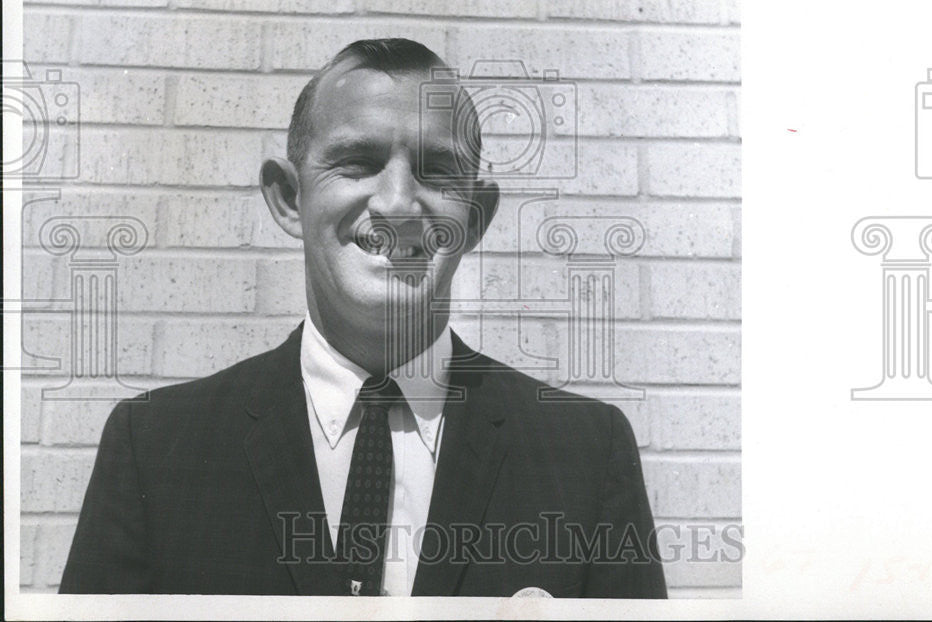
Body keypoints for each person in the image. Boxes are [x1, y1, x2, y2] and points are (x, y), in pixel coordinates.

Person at [59, 39, 667, 598]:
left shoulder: (586, 454)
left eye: (435, 169)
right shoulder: (157, 447)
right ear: (290, 199)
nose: (398, 203)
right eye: (357, 161)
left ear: (475, 218)